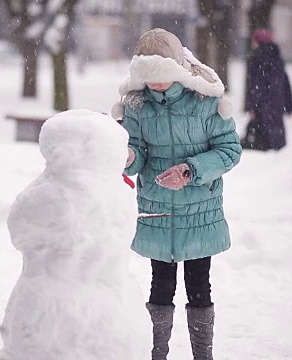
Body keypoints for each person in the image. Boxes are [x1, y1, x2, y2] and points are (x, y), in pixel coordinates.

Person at [110, 28, 242, 360]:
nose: (156, 86)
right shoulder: (137, 106)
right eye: (149, 79)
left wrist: (190, 170)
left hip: (199, 210)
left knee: (199, 287)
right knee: (160, 288)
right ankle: (157, 354)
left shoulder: (206, 103)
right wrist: (127, 156)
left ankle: (203, 355)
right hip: (158, 210)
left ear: (178, 71)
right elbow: (136, 152)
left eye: (162, 77)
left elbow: (229, 150)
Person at [242, 28, 292, 151]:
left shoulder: (256, 58)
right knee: (277, 134)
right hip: (277, 102)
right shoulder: (277, 57)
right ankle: (280, 154)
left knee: (262, 136)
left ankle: (269, 156)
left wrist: (252, 106)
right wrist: (289, 105)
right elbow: (285, 83)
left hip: (262, 103)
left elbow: (254, 84)